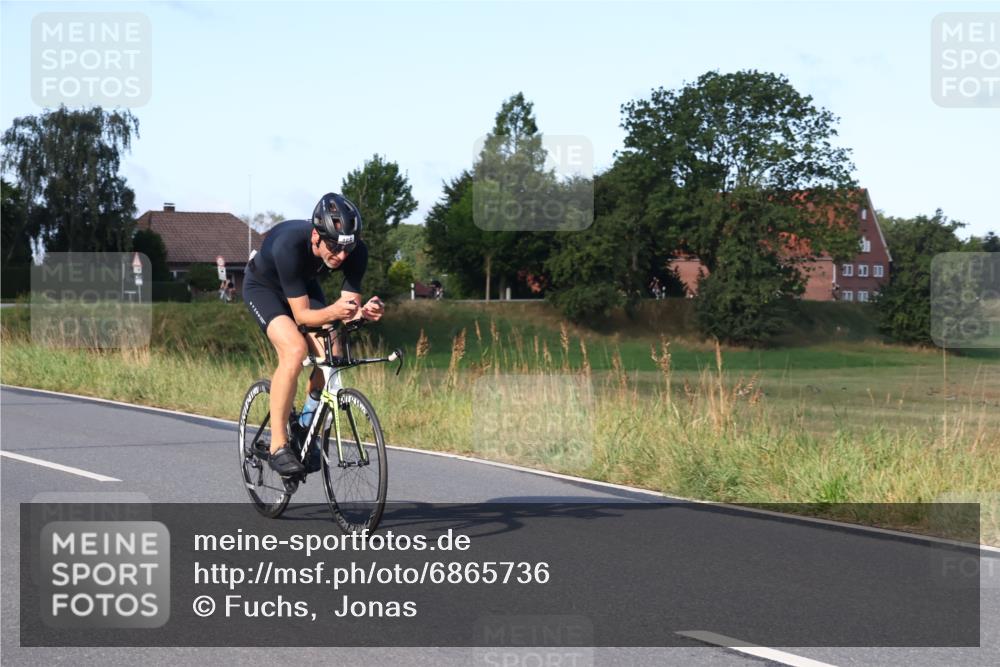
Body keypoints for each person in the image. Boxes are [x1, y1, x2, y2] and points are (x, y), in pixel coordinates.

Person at [242, 192, 384, 475]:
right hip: (264, 288)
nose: (342, 256)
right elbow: (303, 317)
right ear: (315, 237)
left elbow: (348, 308)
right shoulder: (289, 244)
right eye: (334, 247)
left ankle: (305, 428)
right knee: (294, 350)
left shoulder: (355, 252)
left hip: (302, 287)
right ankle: (278, 445)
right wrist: (336, 313)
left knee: (334, 352)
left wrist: (361, 314)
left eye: (348, 248)